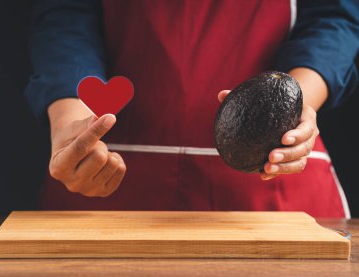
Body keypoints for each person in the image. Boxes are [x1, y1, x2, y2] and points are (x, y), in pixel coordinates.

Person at [25, 0, 359, 217]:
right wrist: (72, 128)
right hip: (107, 179)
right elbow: (64, 14)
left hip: (274, 182)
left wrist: (297, 105)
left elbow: (334, 15)